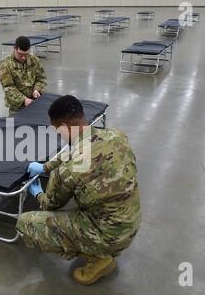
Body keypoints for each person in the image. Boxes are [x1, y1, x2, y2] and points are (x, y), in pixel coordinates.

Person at [16, 95, 141, 285]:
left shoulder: (69, 170)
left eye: (58, 131)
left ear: (65, 127)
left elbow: (51, 204)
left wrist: (38, 193)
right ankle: (100, 249)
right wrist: (45, 167)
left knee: (26, 222)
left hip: (109, 236)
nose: (59, 135)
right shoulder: (117, 135)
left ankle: (99, 257)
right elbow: (76, 151)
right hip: (131, 223)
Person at [0, 36, 47, 115]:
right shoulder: (5, 65)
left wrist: (37, 89)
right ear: (14, 48)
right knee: (17, 126)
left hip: (35, 101)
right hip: (17, 106)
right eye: (20, 54)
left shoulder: (34, 60)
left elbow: (41, 78)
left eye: (26, 54)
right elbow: (9, 88)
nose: (23, 57)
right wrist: (24, 100)